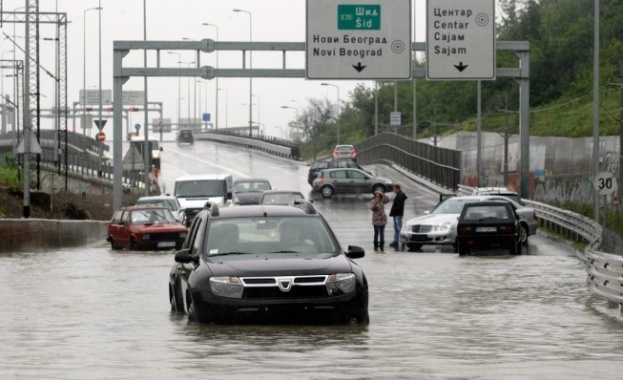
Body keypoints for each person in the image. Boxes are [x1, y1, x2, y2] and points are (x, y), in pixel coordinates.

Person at [389, 184, 408, 250]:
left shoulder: (400, 195)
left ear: (398, 189)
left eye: (394, 189)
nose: (393, 190)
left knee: (399, 228)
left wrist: (396, 211)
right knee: (396, 228)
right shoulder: (399, 195)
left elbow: (399, 206)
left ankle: (401, 241)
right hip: (396, 214)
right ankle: (396, 241)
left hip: (398, 214)